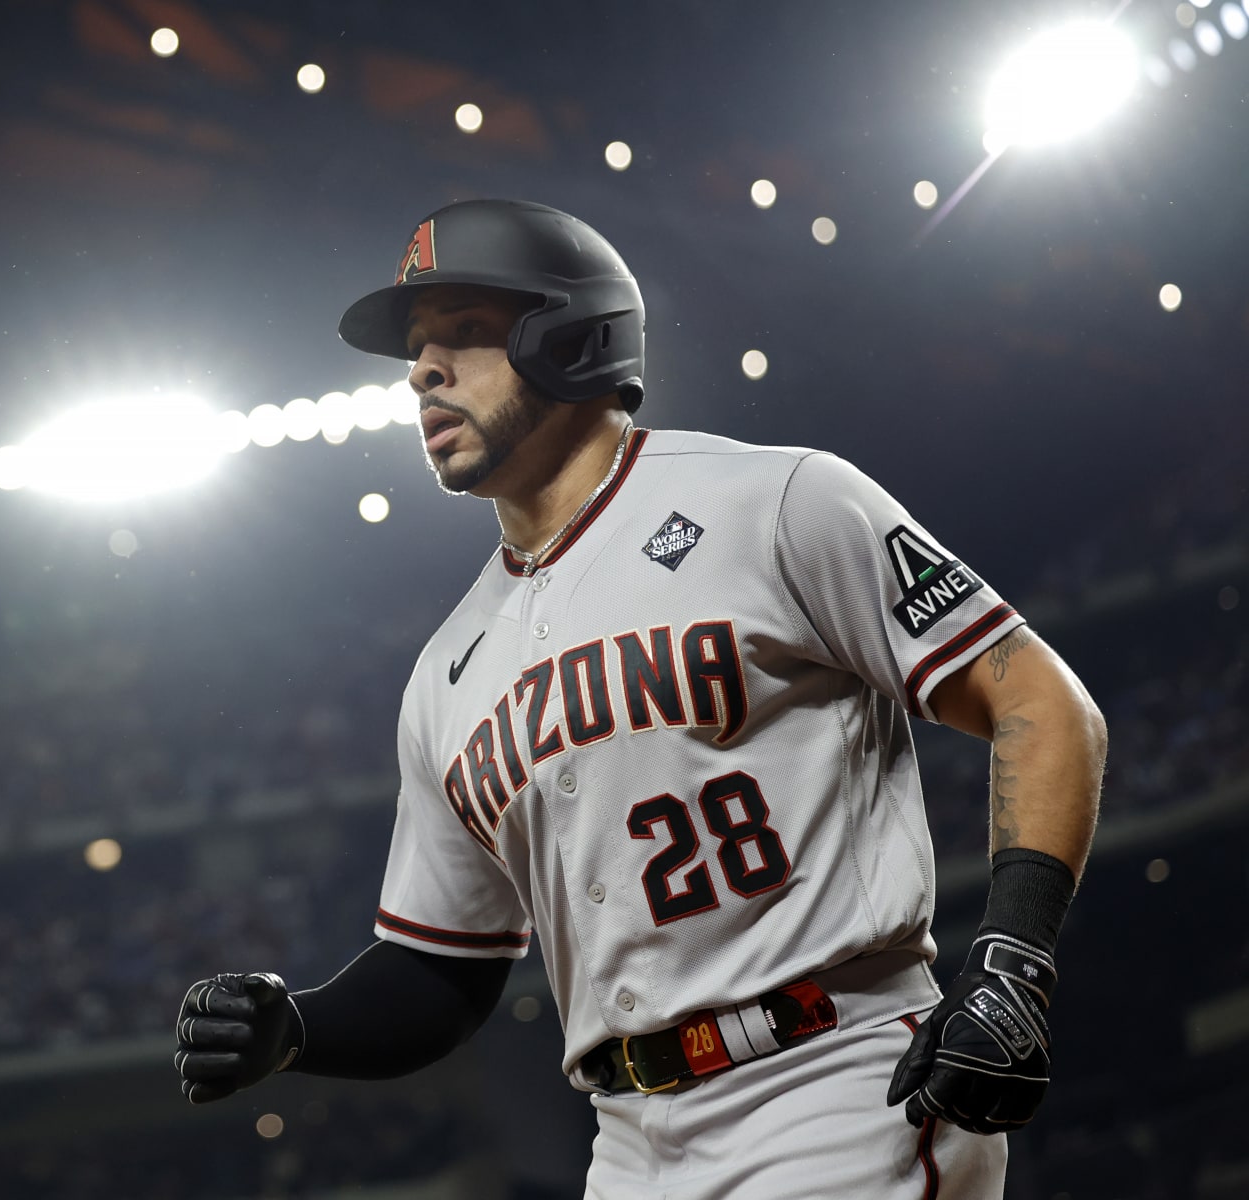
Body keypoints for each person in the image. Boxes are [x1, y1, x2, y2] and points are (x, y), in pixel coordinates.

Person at [174, 199, 1107, 1197]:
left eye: (464, 333)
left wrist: (1012, 964)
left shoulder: (778, 501)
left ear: (571, 335)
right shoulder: (446, 674)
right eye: (415, 348)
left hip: (835, 1083)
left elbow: (1041, 706)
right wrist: (299, 1028)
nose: (421, 372)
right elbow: (441, 969)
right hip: (628, 1142)